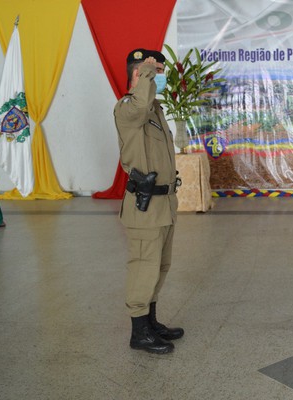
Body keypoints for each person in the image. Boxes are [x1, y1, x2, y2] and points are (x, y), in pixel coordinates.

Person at [115, 48, 183, 354]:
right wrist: (144, 73)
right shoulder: (128, 108)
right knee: (144, 266)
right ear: (139, 75)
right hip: (144, 206)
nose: (161, 78)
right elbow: (139, 103)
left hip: (163, 204)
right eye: (156, 72)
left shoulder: (154, 109)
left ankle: (151, 322)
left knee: (159, 266)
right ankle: (138, 333)